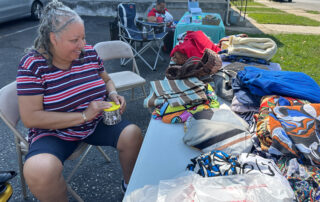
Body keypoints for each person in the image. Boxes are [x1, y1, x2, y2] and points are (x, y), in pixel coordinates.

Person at [16, 1, 143, 201]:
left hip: (94, 124)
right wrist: (84, 115)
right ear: (53, 39)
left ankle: (130, 186)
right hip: (55, 133)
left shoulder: (89, 53)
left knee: (132, 134)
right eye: (75, 40)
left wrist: (112, 95)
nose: (82, 45)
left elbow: (107, 80)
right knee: (39, 170)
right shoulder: (32, 65)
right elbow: (31, 118)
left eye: (83, 37)